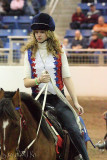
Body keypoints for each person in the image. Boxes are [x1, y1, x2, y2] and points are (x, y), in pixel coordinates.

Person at [23, 13, 89, 160]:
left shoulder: (59, 50)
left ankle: (84, 158)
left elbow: (67, 78)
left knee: (73, 128)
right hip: (37, 101)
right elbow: (26, 82)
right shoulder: (29, 53)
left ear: (49, 33)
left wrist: (75, 102)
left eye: (42, 32)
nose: (38, 35)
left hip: (58, 100)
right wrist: (38, 80)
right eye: (36, 32)